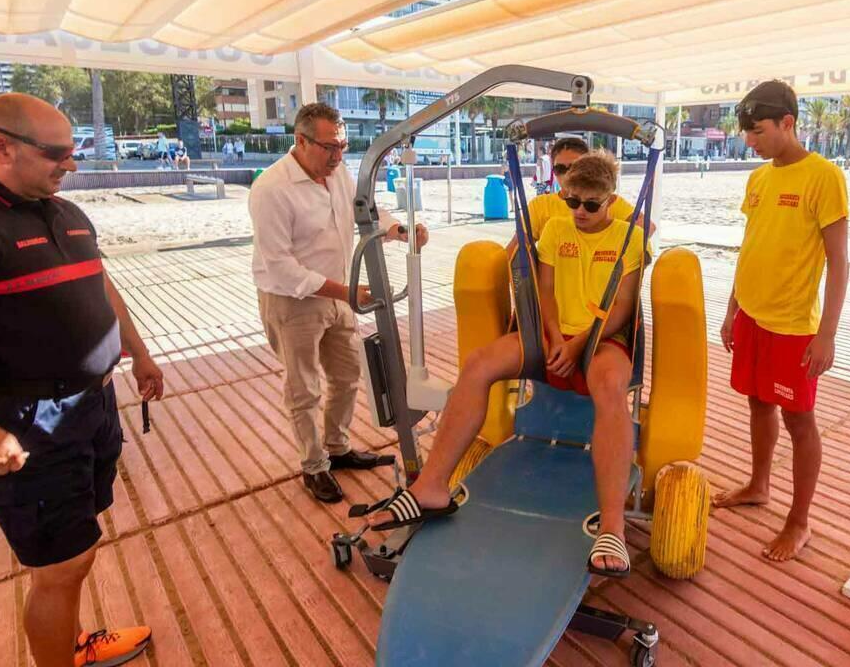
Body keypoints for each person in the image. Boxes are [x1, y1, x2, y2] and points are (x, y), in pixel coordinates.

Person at [0, 94, 162, 667]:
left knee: (77, 548)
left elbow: (101, 288)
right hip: (28, 421)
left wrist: (138, 353)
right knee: (60, 566)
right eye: (58, 155)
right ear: (0, 147)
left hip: (92, 406)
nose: (72, 164)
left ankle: (73, 644)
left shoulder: (65, 211)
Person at [362, 150, 645, 577]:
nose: (580, 212)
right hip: (552, 336)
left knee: (609, 389)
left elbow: (622, 308)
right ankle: (431, 487)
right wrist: (553, 338)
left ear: (610, 200)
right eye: (572, 201)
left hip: (602, 338)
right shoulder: (554, 229)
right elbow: (545, 292)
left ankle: (612, 528)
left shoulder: (630, 237)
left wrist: (578, 345)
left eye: (591, 204)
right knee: (478, 364)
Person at [248, 102, 428, 504]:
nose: (338, 155)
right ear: (300, 140)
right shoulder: (272, 189)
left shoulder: (338, 174)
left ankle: (337, 447)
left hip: (338, 294)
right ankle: (313, 467)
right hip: (292, 301)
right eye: (329, 147)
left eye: (342, 146)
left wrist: (399, 230)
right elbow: (280, 268)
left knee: (347, 376)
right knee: (304, 388)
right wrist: (345, 292)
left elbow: (365, 209)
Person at [712, 80, 849, 563]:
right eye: (747, 133)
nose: (751, 141)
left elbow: (839, 262)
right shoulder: (759, 179)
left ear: (787, 123)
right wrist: (732, 309)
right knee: (756, 403)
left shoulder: (824, 177)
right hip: (751, 316)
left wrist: (827, 334)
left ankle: (799, 521)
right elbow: (750, 246)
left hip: (794, 326)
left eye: (759, 131)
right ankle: (758, 484)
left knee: (799, 419)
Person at [508, 137, 638, 254]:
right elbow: (516, 248)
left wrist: (607, 251)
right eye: (560, 169)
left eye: (574, 167)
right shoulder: (540, 205)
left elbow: (645, 228)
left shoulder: (604, 202)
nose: (567, 174)